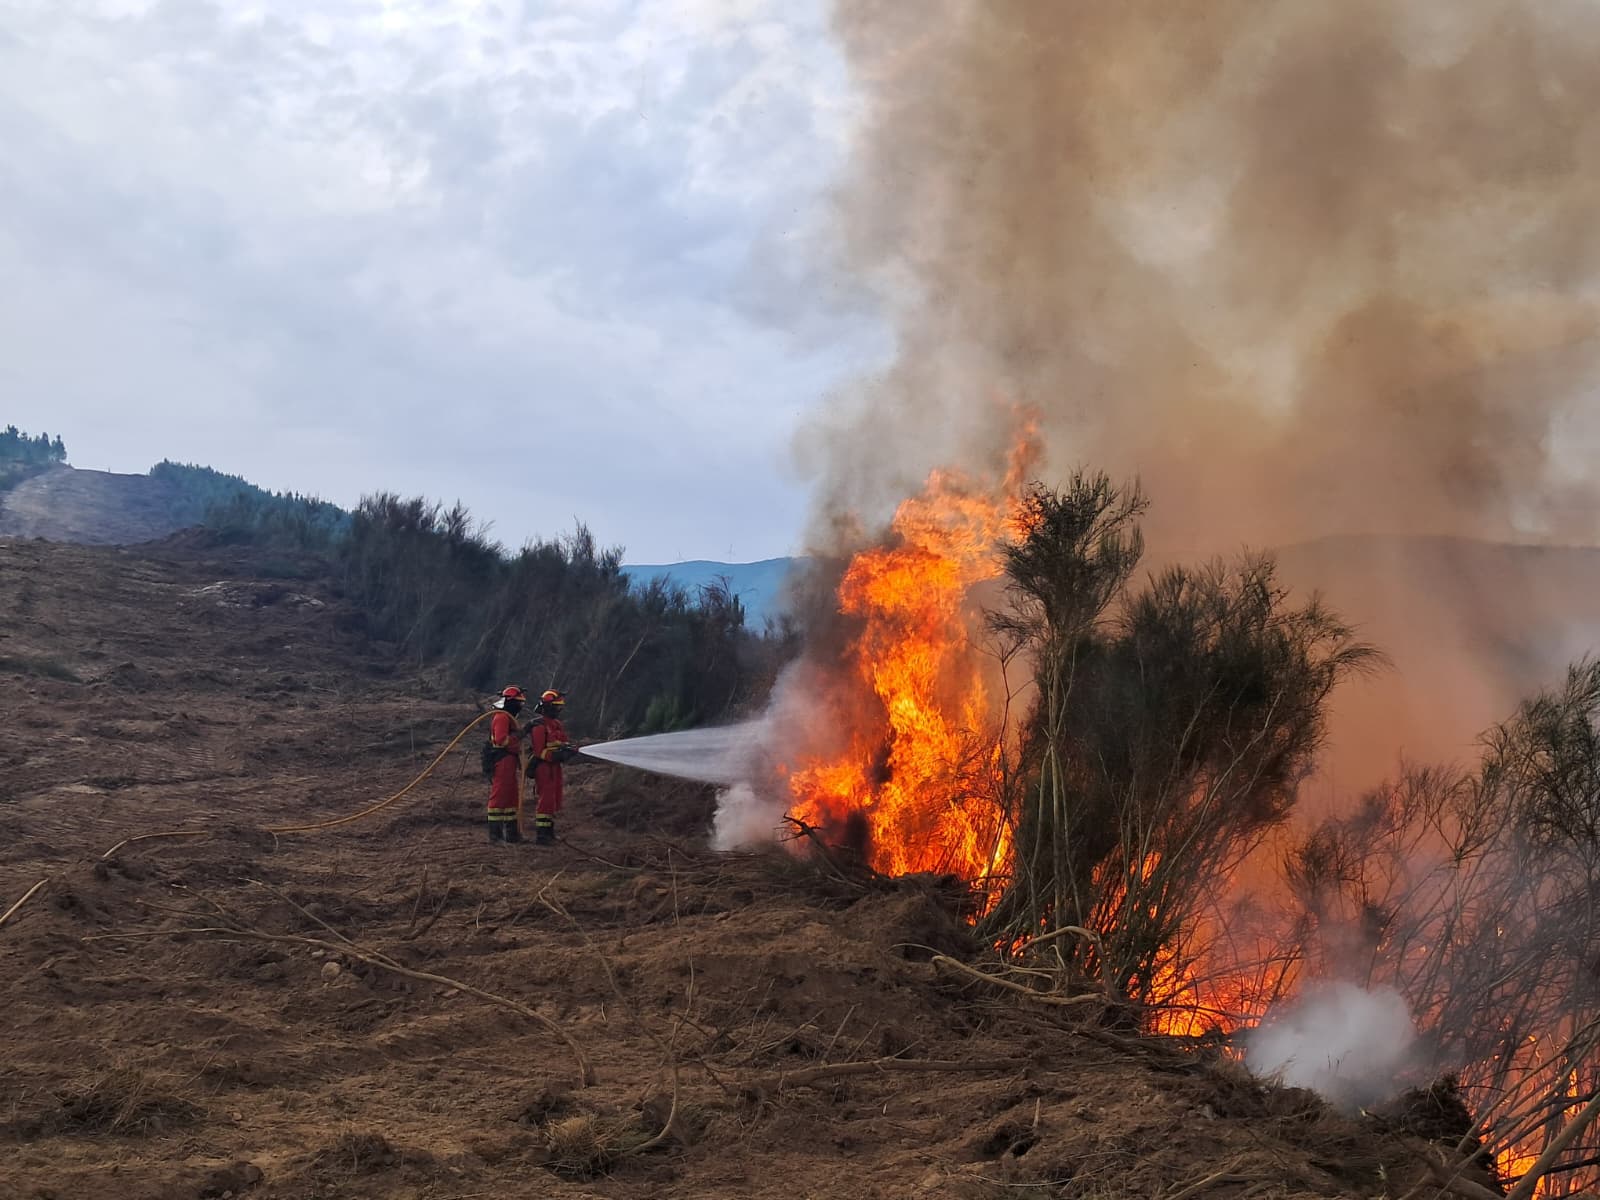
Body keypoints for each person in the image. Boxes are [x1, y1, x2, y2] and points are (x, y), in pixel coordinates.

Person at [527, 689, 574, 845]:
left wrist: (568, 750)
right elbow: (539, 751)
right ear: (548, 707)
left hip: (555, 768)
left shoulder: (557, 724)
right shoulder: (539, 726)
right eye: (557, 706)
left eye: (561, 706)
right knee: (546, 800)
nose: (559, 709)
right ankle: (542, 836)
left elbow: (563, 741)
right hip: (544, 768)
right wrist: (556, 756)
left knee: (554, 799)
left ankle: (550, 832)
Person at [486, 686, 528, 843]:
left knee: (511, 797)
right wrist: (520, 734)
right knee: (499, 796)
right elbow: (501, 740)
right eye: (519, 703)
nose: (520, 706)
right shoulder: (502, 717)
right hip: (502, 759)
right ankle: (495, 836)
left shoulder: (509, 717)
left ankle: (512, 834)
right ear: (510, 702)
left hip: (510, 759)